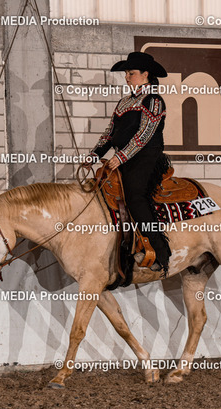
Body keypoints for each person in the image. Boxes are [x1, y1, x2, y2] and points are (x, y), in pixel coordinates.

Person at [84, 51, 171, 274]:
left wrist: (120, 156)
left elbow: (145, 134)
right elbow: (110, 133)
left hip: (146, 158)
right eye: (126, 73)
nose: (127, 77)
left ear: (145, 74)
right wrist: (94, 155)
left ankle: (161, 253)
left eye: (131, 73)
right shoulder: (124, 102)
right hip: (124, 157)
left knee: (135, 196)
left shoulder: (154, 101)